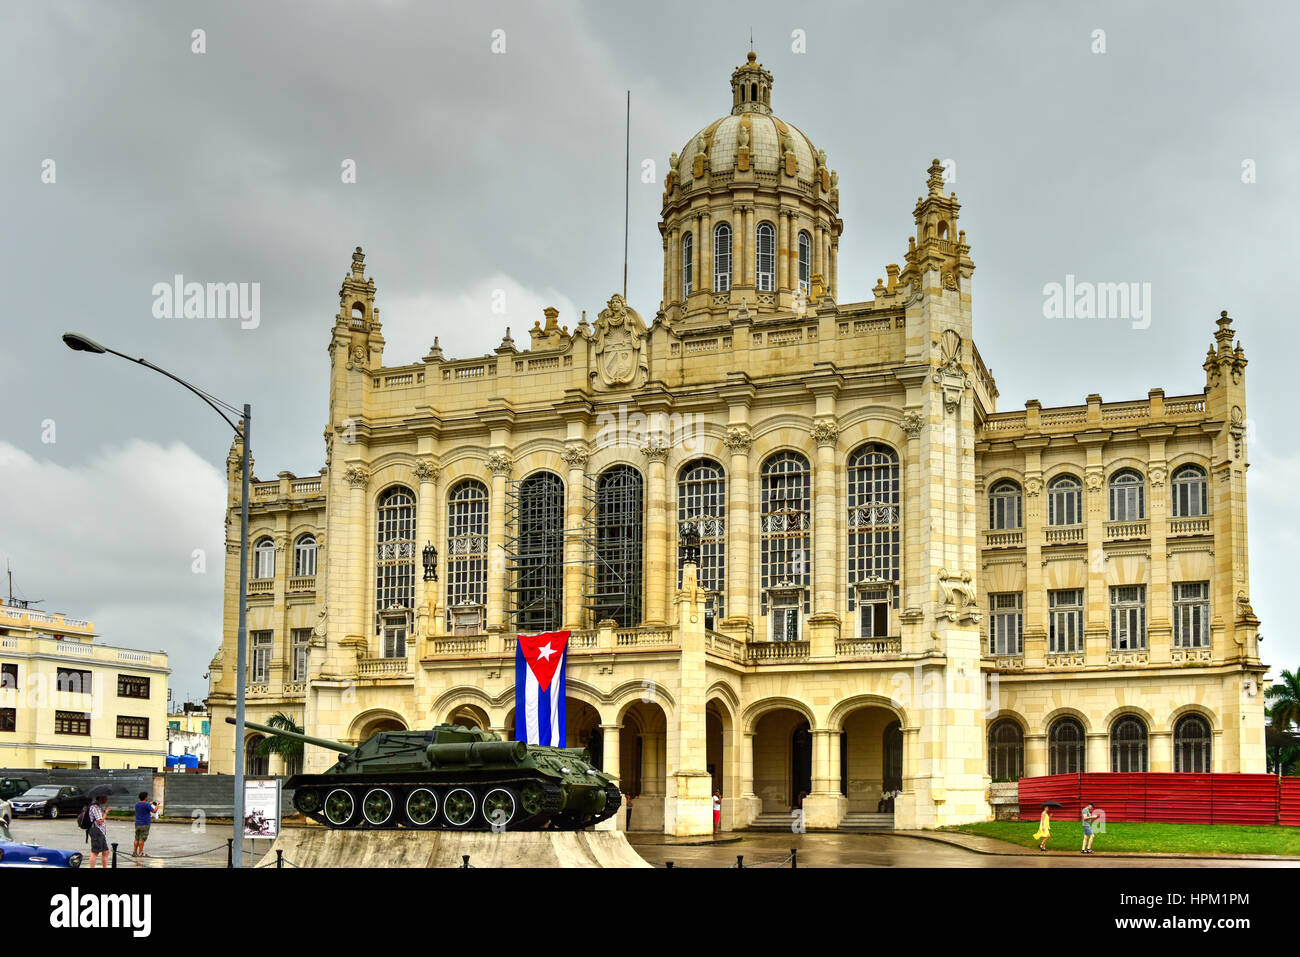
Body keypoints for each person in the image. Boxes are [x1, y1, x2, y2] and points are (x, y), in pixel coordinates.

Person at [133, 791, 158, 858]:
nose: (148, 797)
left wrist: (150, 803)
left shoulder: (137, 804)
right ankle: (141, 853)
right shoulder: (146, 805)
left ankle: (134, 852)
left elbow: (144, 806)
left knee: (136, 838)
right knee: (142, 839)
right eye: (147, 796)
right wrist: (157, 805)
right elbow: (154, 811)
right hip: (145, 824)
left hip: (137, 823)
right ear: (145, 797)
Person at [88, 793, 110, 868]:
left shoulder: (98, 807)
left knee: (106, 852)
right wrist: (106, 812)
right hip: (96, 831)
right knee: (95, 852)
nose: (106, 799)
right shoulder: (95, 807)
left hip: (100, 832)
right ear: (100, 798)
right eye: (105, 797)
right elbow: (99, 821)